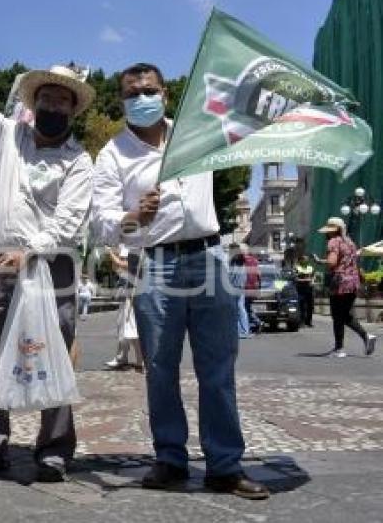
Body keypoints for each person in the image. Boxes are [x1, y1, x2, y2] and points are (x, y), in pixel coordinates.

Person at [92, 63, 269, 499]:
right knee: (160, 369)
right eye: (131, 94)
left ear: (165, 94)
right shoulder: (113, 153)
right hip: (156, 264)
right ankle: (170, 459)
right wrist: (134, 218)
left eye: (148, 90)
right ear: (122, 101)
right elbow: (101, 224)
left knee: (218, 368)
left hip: (208, 256)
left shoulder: (195, 133)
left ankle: (224, 464)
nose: (141, 98)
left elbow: (242, 121)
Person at [0, 57, 95, 484]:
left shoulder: (79, 160)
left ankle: (54, 450)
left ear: (71, 109)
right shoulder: (9, 136)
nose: (52, 105)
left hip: (52, 266)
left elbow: (69, 221)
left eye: (61, 101)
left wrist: (31, 252)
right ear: (34, 102)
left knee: (54, 354)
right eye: (45, 97)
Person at [317, 217, 377, 357]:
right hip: (353, 282)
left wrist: (320, 261)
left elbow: (332, 263)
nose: (327, 233)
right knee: (345, 315)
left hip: (339, 282)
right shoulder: (350, 242)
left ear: (334, 230)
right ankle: (366, 336)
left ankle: (339, 349)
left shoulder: (333, 242)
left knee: (337, 316)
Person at [104, 247, 143, 370]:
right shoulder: (124, 247)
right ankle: (122, 357)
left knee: (133, 330)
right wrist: (113, 254)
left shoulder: (134, 250)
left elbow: (123, 264)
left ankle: (140, 360)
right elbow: (116, 268)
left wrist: (110, 253)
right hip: (125, 296)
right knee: (122, 329)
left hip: (132, 296)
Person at [228, 243, 251, 338]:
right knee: (241, 309)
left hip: (233, 287)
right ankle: (245, 330)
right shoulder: (241, 259)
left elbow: (231, 275)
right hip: (241, 287)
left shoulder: (233, 260)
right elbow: (244, 274)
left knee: (235, 310)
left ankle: (238, 331)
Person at [241, 245, 262, 334]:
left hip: (245, 288)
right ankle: (253, 323)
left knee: (244, 308)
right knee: (247, 307)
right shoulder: (254, 260)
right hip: (253, 288)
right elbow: (259, 275)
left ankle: (256, 322)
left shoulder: (241, 261)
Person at [294, 254, 315, 328]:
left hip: (309, 289)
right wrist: (305, 280)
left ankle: (308, 321)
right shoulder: (297, 268)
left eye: (307, 259)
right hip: (300, 289)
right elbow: (295, 279)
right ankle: (301, 321)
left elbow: (313, 277)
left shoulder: (310, 268)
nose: (306, 261)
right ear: (300, 260)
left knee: (310, 306)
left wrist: (312, 281)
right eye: (304, 259)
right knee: (301, 306)